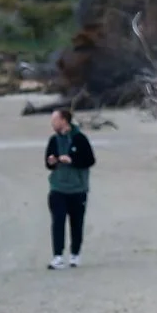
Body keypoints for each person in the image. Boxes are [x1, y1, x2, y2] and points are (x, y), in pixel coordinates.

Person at [44, 107, 95, 268]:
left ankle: (75, 254)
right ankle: (57, 256)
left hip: (78, 188)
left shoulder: (80, 139)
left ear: (64, 120)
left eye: (55, 120)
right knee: (57, 221)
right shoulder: (53, 140)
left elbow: (90, 160)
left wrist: (72, 160)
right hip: (58, 187)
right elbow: (48, 162)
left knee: (76, 223)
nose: (53, 123)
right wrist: (52, 161)